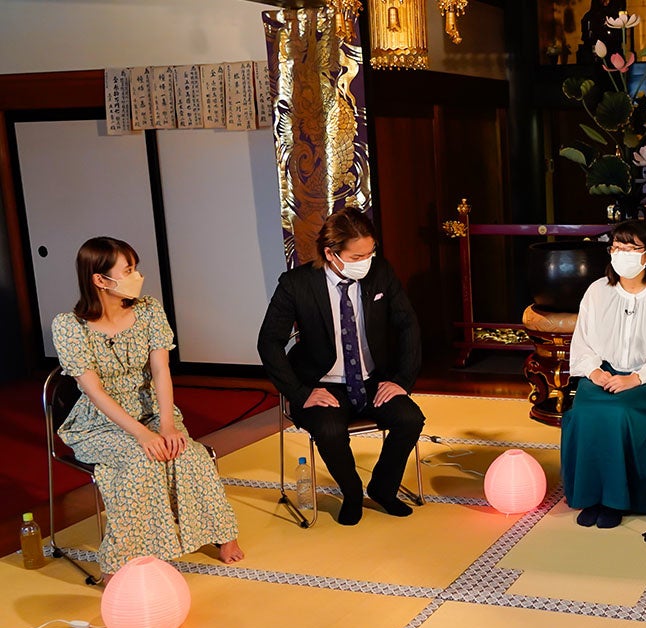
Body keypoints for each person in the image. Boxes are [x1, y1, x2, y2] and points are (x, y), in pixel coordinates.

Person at [51, 237, 243, 580]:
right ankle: (119, 561)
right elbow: (94, 392)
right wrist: (141, 435)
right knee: (142, 461)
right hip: (98, 422)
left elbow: (160, 370)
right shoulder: (68, 326)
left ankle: (223, 534)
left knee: (188, 453)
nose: (136, 276)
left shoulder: (149, 310)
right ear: (100, 280)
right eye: (127, 270)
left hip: (153, 410)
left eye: (135, 268)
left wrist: (166, 425)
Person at [258, 207, 424, 526]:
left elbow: (408, 324)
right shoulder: (296, 284)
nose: (366, 262)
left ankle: (383, 488)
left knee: (410, 419)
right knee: (330, 430)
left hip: (373, 379)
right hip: (321, 384)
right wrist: (300, 392)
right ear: (331, 253)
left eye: (370, 253)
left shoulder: (380, 273)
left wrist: (402, 380)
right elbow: (269, 342)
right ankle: (351, 492)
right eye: (357, 256)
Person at [561, 220, 646, 529]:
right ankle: (590, 496)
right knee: (584, 413)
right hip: (601, 374)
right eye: (616, 248)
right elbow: (582, 340)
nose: (621, 254)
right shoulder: (597, 291)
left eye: (630, 248)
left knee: (618, 413)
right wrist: (594, 371)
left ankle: (616, 500)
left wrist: (636, 378)